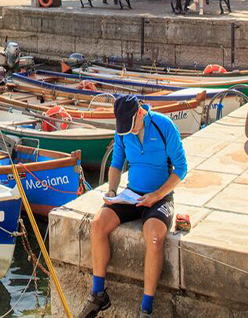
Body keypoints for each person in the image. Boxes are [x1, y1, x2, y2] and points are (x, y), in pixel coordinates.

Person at [79, 94, 187, 318]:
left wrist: (157, 195)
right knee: (98, 224)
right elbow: (116, 164)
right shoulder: (122, 132)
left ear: (140, 112)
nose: (126, 131)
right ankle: (98, 293)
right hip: (131, 194)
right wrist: (111, 191)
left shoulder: (164, 126)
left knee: (155, 236)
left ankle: (146, 308)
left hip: (160, 197)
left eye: (130, 126)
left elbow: (181, 169)